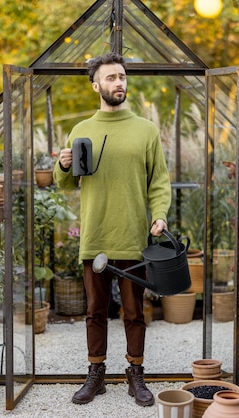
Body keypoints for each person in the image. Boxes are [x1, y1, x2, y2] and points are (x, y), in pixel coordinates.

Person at [53, 52, 171, 407]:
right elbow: (68, 185)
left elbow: (159, 182)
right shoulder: (81, 130)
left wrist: (160, 214)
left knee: (135, 311)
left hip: (134, 237)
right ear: (96, 86)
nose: (119, 83)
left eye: (121, 77)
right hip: (95, 236)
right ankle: (96, 374)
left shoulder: (146, 130)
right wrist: (61, 165)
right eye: (111, 78)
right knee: (95, 310)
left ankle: (136, 374)